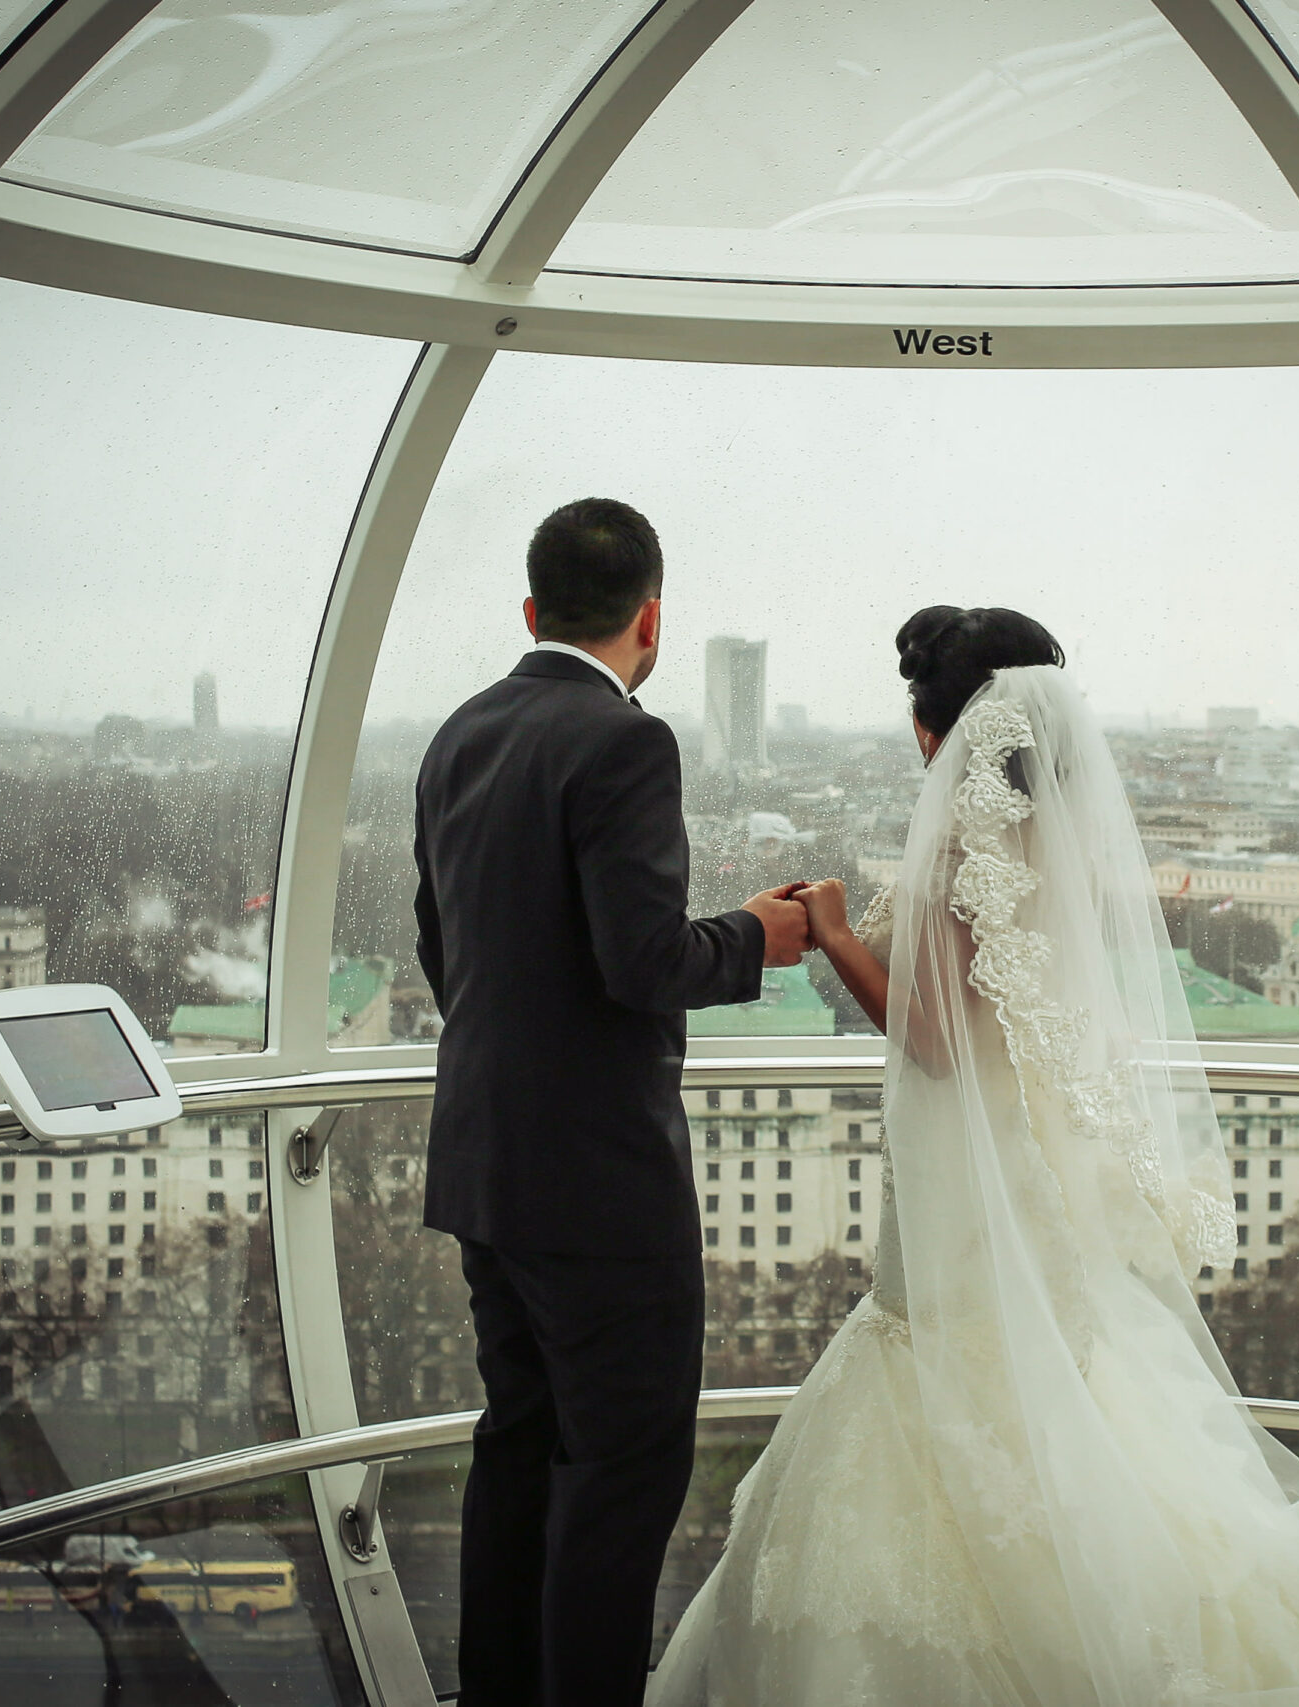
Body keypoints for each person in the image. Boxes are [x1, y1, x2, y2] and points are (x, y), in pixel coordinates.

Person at [649, 607, 1299, 1707]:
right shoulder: (1052, 854)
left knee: (930, 1366)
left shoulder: (956, 858)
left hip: (958, 1179)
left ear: (935, 730)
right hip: (1023, 1167)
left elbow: (934, 1041)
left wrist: (837, 935)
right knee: (1053, 1402)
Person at [412, 497, 811, 1707]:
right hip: (597, 1185)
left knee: (517, 1450)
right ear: (652, 620)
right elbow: (642, 962)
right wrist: (758, 935)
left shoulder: (461, 732)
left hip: (485, 1164)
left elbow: (442, 949)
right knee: (622, 1478)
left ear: (532, 610)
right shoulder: (624, 742)